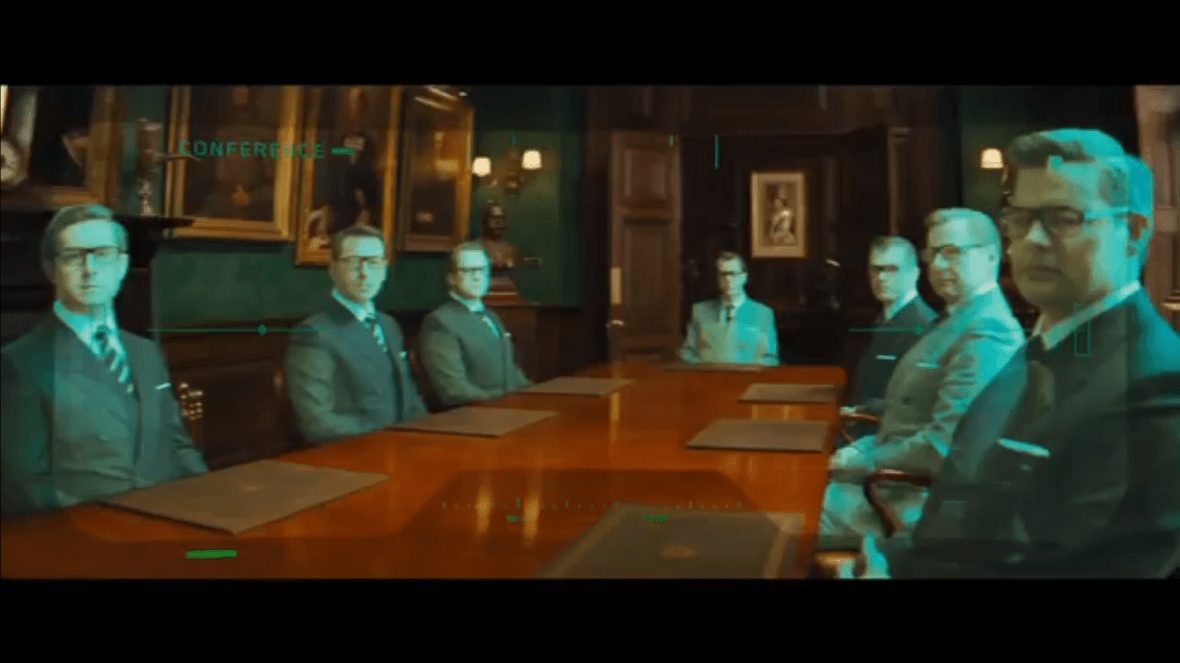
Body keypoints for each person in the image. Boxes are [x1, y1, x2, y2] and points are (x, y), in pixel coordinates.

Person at [849, 129, 1180, 579]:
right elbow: (964, 513)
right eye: (1020, 219)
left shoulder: (1158, 383)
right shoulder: (1036, 350)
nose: (1033, 239)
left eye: (1064, 219)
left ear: (1133, 233)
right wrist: (887, 560)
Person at [818, 208, 1025, 547]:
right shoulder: (956, 318)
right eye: (934, 253)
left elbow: (941, 448)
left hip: (912, 505)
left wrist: (858, 463)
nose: (939, 265)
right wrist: (862, 448)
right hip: (885, 485)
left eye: (952, 252)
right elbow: (909, 414)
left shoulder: (988, 331)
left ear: (991, 256)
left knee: (779, 515)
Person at [1, 204, 207, 517]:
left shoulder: (145, 352)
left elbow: (178, 446)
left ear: (122, 265)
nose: (90, 269)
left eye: (103, 254)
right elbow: (23, 488)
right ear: (51, 269)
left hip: (173, 517)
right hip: (89, 533)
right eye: (73, 256)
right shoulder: (20, 362)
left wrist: (211, 497)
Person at [285, 225, 426, 444]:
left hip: (402, 446)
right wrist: (390, 434)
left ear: (384, 271)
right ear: (333, 269)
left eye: (374, 263)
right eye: (353, 262)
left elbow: (408, 399)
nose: (364, 274)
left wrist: (429, 433)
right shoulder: (315, 333)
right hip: (354, 451)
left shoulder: (388, 325)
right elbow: (317, 422)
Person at [418, 242, 531, 407]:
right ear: (451, 278)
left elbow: (512, 374)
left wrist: (535, 396)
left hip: (511, 410)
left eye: (482, 270)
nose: (477, 277)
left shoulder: (491, 316)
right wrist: (504, 402)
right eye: (468, 271)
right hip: (475, 415)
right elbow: (453, 390)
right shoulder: (440, 322)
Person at [843, 236, 938, 421]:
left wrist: (861, 409)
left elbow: (917, 402)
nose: (881, 278)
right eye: (875, 269)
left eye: (892, 269)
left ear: (914, 274)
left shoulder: (925, 327)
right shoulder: (882, 320)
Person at [679, 251, 779, 365]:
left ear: (744, 277)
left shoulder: (763, 314)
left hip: (747, 375)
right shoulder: (700, 311)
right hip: (708, 375)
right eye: (723, 274)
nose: (728, 280)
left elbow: (770, 358)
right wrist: (703, 369)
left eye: (733, 274)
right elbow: (687, 352)